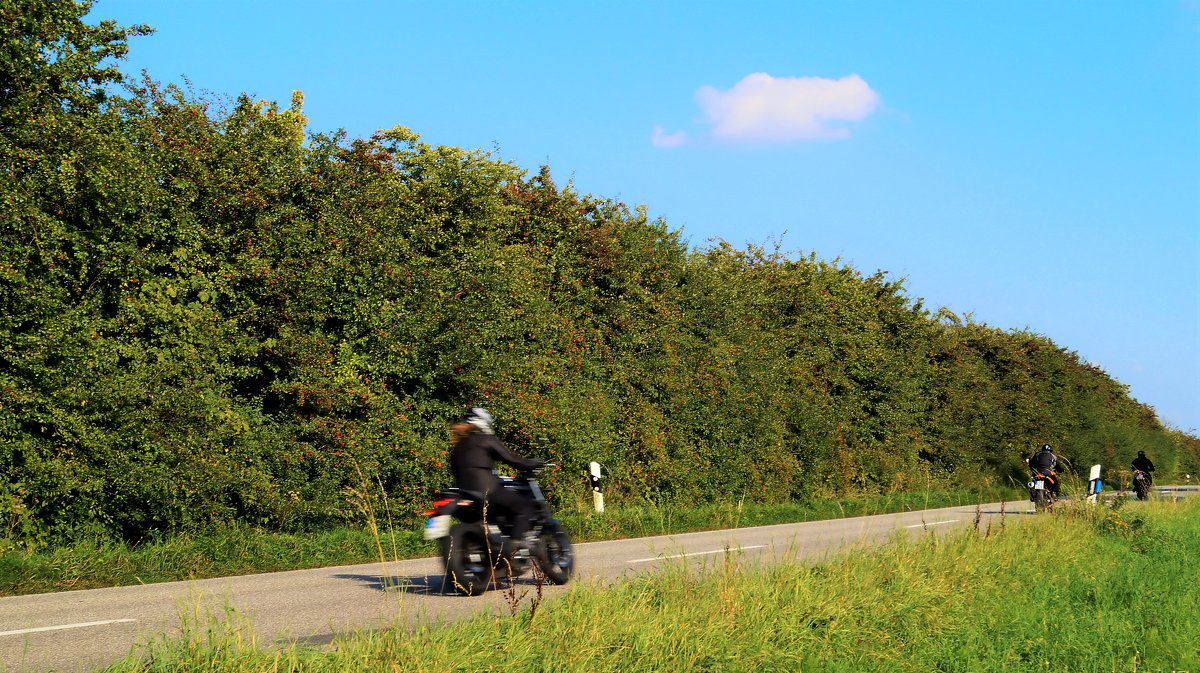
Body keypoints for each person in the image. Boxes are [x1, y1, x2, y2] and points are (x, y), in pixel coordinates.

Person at [448, 407, 544, 553]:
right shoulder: (485, 439)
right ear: (483, 422)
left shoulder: (457, 447)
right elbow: (511, 459)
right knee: (525, 507)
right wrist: (532, 463)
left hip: (463, 493)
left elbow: (455, 470)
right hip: (488, 489)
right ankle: (515, 546)